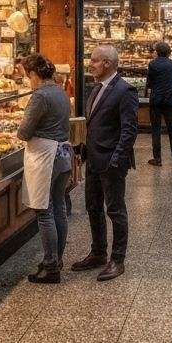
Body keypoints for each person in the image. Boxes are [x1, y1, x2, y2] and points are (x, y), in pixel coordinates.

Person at [71, 45, 139, 281]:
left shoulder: (125, 90)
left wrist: (116, 159)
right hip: (93, 159)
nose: (91, 64)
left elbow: (129, 130)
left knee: (115, 210)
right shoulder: (96, 88)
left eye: (95, 61)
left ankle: (117, 259)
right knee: (93, 207)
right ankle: (98, 252)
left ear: (108, 63)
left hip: (111, 161)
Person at [17, 53, 72, 284]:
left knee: (44, 211)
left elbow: (23, 132)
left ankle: (51, 267)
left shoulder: (39, 96)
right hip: (63, 155)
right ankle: (56, 259)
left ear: (33, 74)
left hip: (45, 156)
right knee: (58, 207)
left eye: (26, 76)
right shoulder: (59, 91)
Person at [146, 41, 172, 166]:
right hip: (170, 100)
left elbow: (149, 83)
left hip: (156, 100)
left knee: (156, 129)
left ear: (157, 52)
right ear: (169, 52)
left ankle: (157, 157)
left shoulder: (153, 64)